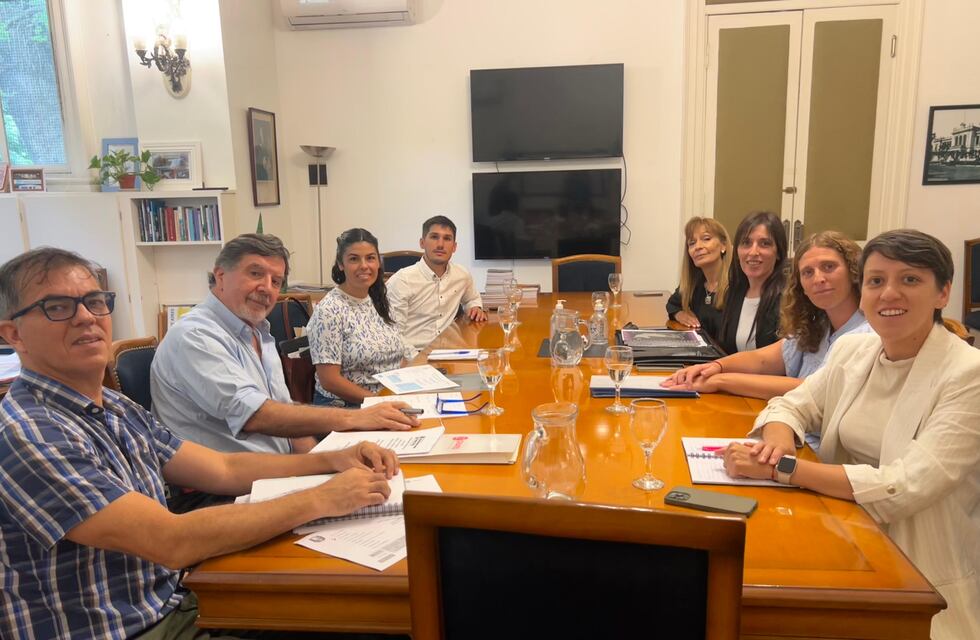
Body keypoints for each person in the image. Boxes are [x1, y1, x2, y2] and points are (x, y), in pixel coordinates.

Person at [0, 247, 399, 639]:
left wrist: (332, 460)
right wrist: (323, 497)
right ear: (13, 334)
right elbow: (170, 540)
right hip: (134, 628)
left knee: (375, 609)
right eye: (57, 307)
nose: (86, 317)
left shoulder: (114, 407)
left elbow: (223, 467)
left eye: (94, 302)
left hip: (174, 599)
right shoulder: (29, 433)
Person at [719, 230, 979, 640]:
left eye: (910, 279)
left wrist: (781, 469)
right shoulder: (853, 351)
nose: (888, 293)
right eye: (876, 280)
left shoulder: (968, 374)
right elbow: (791, 405)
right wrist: (777, 443)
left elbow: (903, 487)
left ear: (943, 292)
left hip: (918, 578)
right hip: (840, 533)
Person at [151, 234, 418, 459]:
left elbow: (286, 420)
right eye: (255, 273)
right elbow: (256, 416)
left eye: (276, 281)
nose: (266, 288)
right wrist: (357, 418)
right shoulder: (195, 335)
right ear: (220, 276)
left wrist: (324, 463)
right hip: (223, 487)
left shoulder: (259, 333)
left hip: (274, 467)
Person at [663, 231, 871, 402]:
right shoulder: (819, 324)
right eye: (808, 272)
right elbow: (764, 359)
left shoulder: (867, 335)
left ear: (854, 271)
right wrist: (713, 367)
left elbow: (812, 390)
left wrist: (720, 380)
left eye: (829, 267)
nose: (818, 279)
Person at [308, 229, 412, 406]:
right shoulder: (329, 310)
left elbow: (399, 355)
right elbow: (329, 381)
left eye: (370, 258)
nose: (364, 266)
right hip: (346, 405)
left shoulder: (379, 300)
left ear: (378, 263)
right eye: (354, 259)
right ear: (341, 264)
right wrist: (379, 402)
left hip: (387, 397)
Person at [386, 215, 487, 350]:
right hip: (414, 353)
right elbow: (393, 334)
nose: (440, 244)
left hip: (450, 352)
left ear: (454, 247)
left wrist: (475, 307)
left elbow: (472, 299)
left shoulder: (462, 275)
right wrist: (418, 358)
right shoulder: (402, 281)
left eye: (447, 239)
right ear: (422, 243)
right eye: (434, 237)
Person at [716, 210, 788, 353]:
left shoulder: (788, 299)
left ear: (778, 252)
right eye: (746, 243)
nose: (753, 252)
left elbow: (784, 360)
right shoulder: (734, 293)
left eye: (765, 244)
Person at [665, 216, 731, 334]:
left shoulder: (737, 284)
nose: (698, 247)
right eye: (692, 243)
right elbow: (672, 304)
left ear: (723, 245)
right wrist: (679, 314)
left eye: (706, 239)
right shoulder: (696, 282)